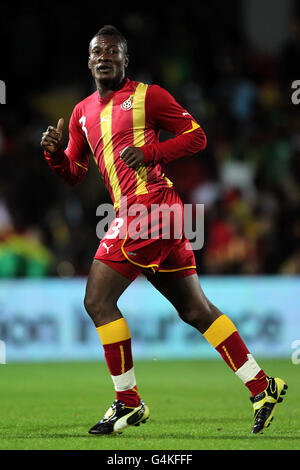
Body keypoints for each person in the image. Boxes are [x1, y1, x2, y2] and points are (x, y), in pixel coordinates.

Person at [41, 25, 287, 436]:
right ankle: (263, 386)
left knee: (97, 301)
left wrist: (151, 151)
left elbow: (197, 137)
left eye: (113, 51)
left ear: (125, 60)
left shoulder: (148, 96)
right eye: (97, 51)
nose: (105, 56)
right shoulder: (83, 113)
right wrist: (54, 156)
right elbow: (74, 172)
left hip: (150, 207)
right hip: (152, 215)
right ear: (88, 61)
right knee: (195, 310)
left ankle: (128, 402)